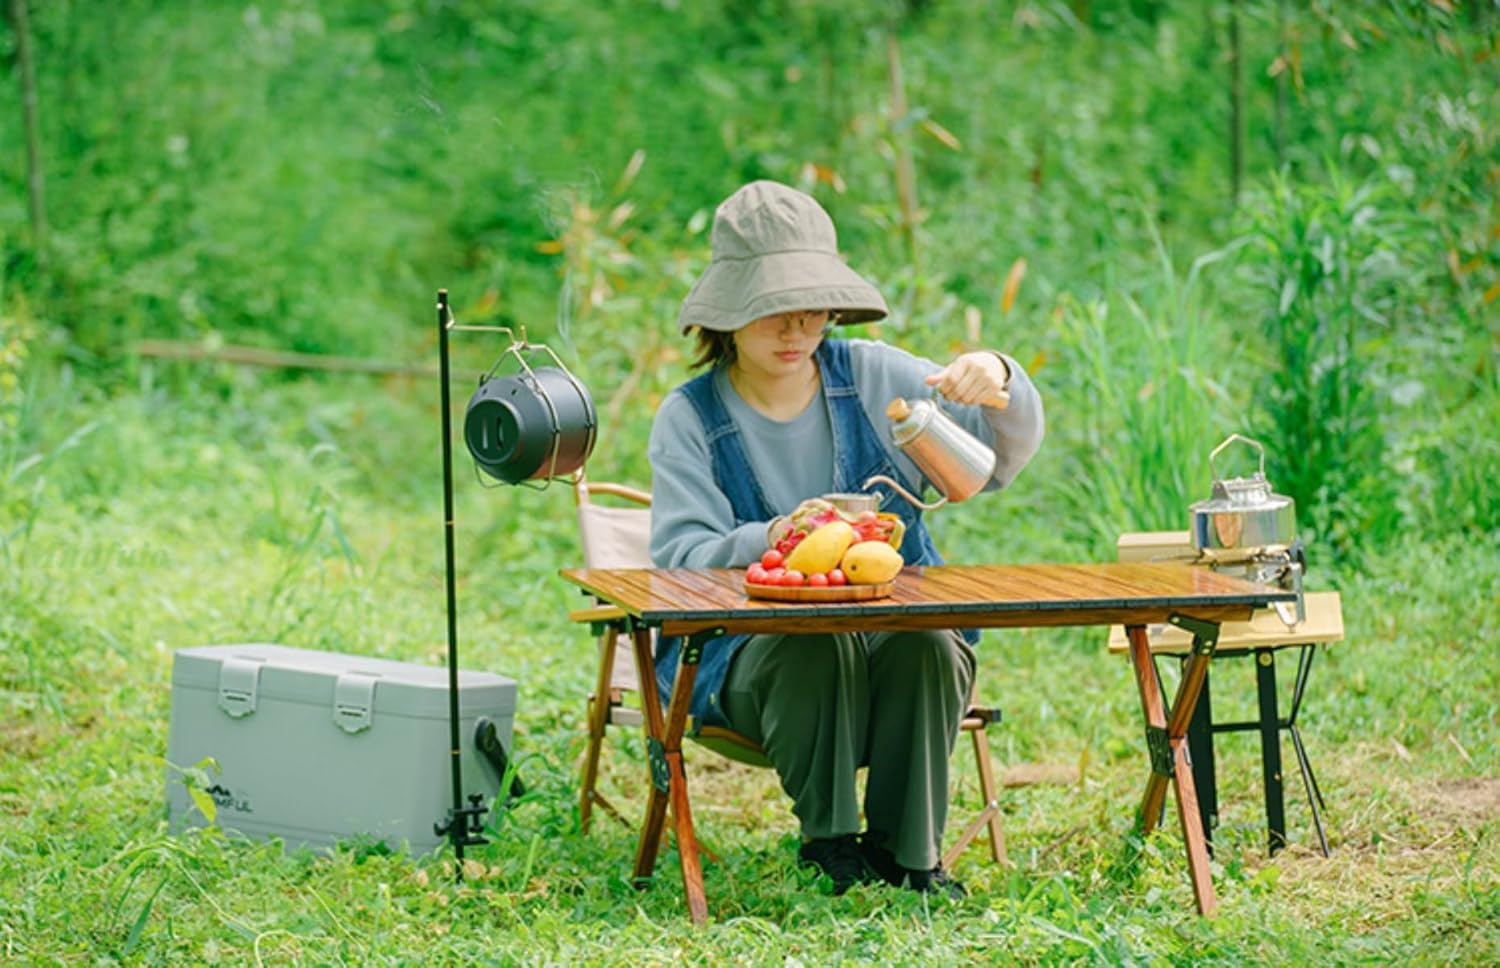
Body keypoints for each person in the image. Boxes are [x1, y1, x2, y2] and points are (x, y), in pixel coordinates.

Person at [647, 180, 1044, 896]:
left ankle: (909, 856)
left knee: (928, 639)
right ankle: (829, 844)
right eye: (773, 310)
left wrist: (1001, 377)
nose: (797, 329)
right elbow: (679, 558)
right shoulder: (690, 417)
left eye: (812, 308)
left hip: (889, 640)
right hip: (750, 663)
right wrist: (776, 535)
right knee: (817, 641)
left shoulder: (873, 375)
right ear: (729, 315)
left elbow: (994, 459)